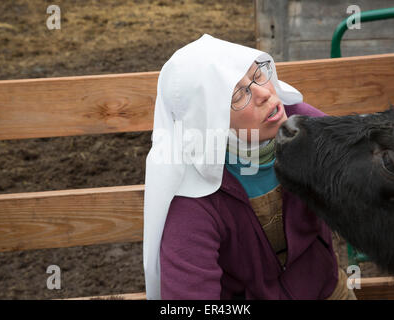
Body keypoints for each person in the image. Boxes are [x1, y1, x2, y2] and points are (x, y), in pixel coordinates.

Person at [143, 34, 356, 300]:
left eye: (258, 75)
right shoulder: (192, 197)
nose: (264, 93)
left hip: (326, 291)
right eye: (239, 93)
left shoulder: (306, 125)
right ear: (209, 117)